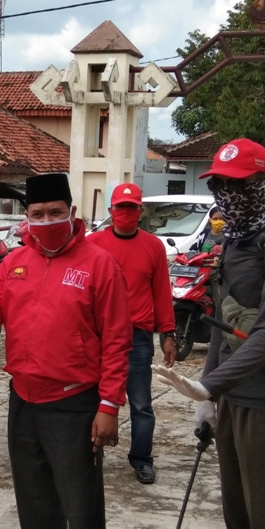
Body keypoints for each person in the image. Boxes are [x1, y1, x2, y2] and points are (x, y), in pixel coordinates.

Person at [0, 173, 132, 529]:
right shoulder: (15, 263)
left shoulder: (99, 265)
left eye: (55, 212)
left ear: (71, 212)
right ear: (26, 216)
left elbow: (117, 340)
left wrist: (109, 405)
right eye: (38, 214)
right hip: (24, 402)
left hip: (75, 404)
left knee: (80, 509)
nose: (46, 221)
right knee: (35, 504)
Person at [153, 138, 265, 529]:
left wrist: (208, 385)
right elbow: (224, 329)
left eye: (238, 185)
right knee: (240, 522)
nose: (227, 195)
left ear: (262, 187)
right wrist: (209, 401)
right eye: (219, 185)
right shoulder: (233, 244)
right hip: (234, 402)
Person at [86, 183, 177, 485]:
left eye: (131, 207)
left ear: (140, 211)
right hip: (98, 334)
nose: (125, 213)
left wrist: (168, 333)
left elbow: (161, 292)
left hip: (137, 337)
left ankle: (141, 459)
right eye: (120, 207)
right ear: (110, 211)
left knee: (140, 404)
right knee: (92, 398)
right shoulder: (93, 244)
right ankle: (91, 454)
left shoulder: (153, 246)